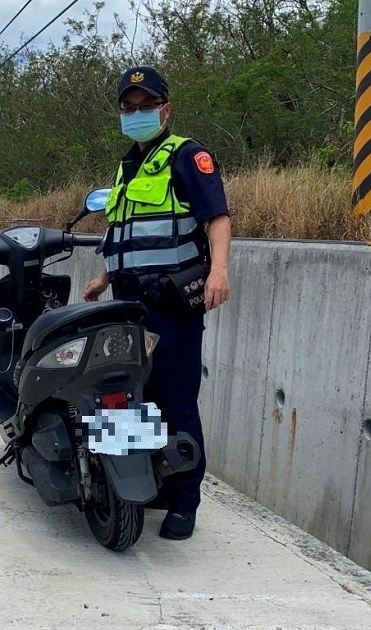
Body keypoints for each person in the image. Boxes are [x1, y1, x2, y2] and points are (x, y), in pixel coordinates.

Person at [82, 66, 232, 539]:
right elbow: (123, 230)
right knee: (126, 394)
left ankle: (184, 501)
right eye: (129, 107)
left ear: (166, 108)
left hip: (170, 304)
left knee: (174, 398)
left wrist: (220, 271)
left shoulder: (188, 156)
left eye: (146, 105)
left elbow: (218, 219)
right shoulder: (128, 166)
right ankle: (138, 488)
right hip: (125, 302)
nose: (137, 113)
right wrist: (104, 275)